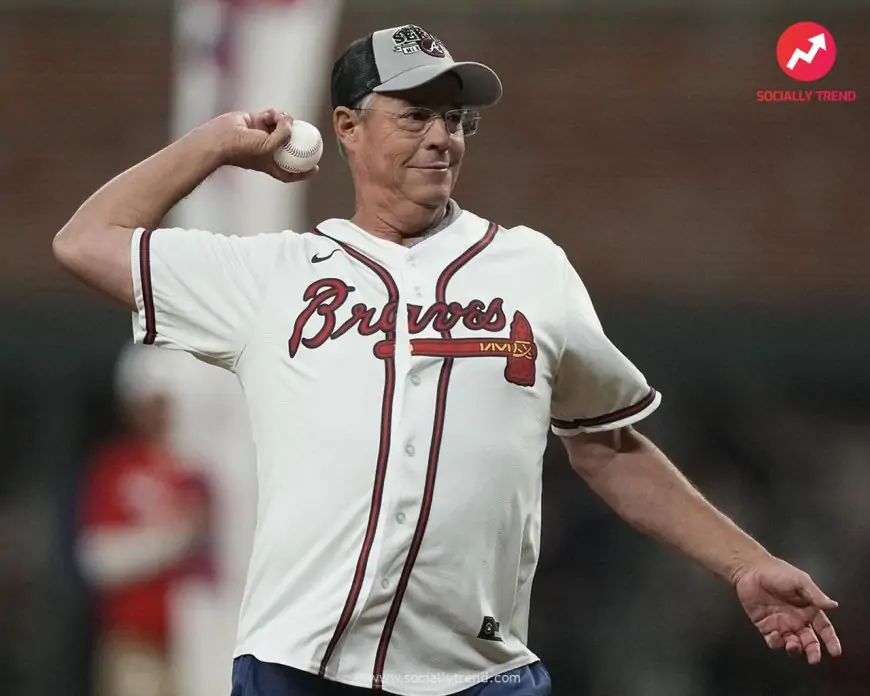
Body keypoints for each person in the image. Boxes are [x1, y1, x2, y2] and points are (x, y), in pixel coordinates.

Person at [54, 22, 841, 696]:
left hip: (477, 672)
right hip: (298, 663)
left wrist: (744, 564)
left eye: (457, 119)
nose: (443, 136)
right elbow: (84, 241)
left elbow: (606, 445)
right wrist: (218, 142)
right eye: (416, 115)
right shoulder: (272, 276)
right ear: (347, 127)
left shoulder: (531, 268)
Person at [77, 344, 212, 696]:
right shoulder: (116, 467)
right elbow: (98, 559)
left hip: (204, 639)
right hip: (137, 644)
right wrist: (173, 540)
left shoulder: (204, 467)